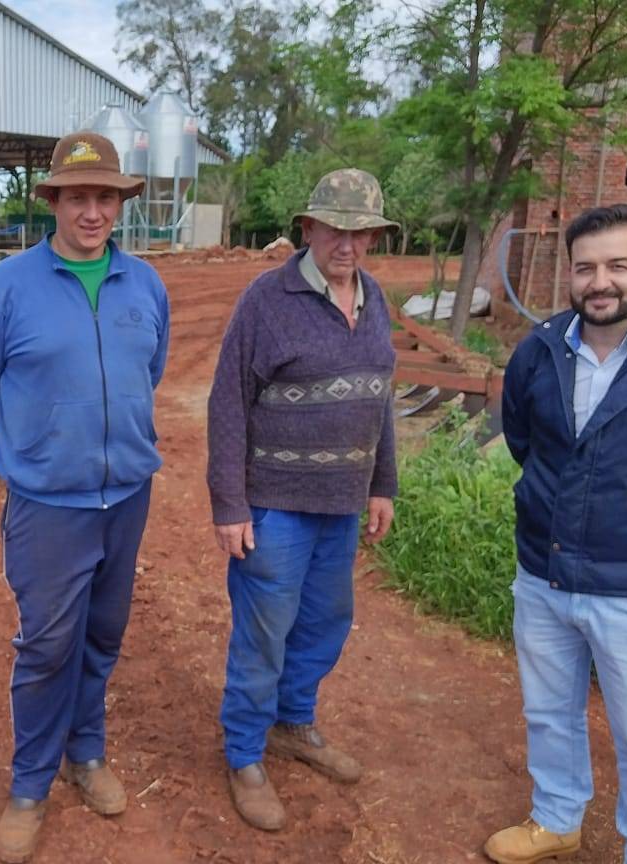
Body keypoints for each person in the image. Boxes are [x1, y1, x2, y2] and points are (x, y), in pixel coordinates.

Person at [0, 131, 169, 864]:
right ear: (53, 201)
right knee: (48, 645)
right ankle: (29, 785)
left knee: (103, 635)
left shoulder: (145, 286)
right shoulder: (7, 287)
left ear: (119, 205)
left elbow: (151, 371)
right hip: (49, 505)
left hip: (127, 496)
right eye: (78, 196)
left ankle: (89, 753)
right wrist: (40, 437)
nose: (92, 210)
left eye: (105, 197)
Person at [486, 204, 627, 864]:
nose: (601, 281)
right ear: (569, 275)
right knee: (549, 712)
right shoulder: (540, 351)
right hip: (543, 575)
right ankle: (556, 818)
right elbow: (526, 441)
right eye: (586, 268)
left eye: (617, 266)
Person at [206, 168, 398, 831]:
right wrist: (229, 504)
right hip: (275, 504)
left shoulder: (374, 299)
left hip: (341, 504)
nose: (346, 244)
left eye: (360, 231)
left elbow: (381, 401)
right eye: (333, 229)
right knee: (264, 631)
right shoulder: (268, 299)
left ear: (374, 235)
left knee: (323, 624)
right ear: (308, 229)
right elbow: (228, 402)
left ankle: (293, 723)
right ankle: (245, 754)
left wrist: (383, 484)